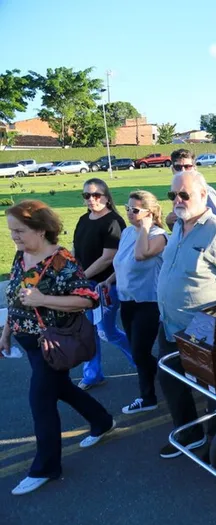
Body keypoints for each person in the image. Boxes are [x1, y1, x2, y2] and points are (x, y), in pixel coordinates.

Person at [3, 201, 115, 496]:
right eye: (11, 231)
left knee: (41, 402)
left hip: (53, 345)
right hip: (28, 341)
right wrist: (6, 332)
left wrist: (44, 300)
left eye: (19, 231)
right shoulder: (22, 255)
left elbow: (88, 299)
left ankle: (46, 467)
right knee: (62, 389)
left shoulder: (62, 261)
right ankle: (102, 421)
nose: (13, 236)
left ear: (41, 230)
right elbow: (16, 297)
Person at [156, 170, 216, 459]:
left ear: (203, 195)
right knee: (171, 380)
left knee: (213, 389)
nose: (177, 200)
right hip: (170, 325)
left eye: (184, 194)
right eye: (172, 195)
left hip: (203, 330)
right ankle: (190, 435)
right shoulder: (178, 226)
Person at [108, 191, 168, 414]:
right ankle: (168, 377)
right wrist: (109, 279)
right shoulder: (126, 233)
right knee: (137, 353)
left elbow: (141, 255)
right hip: (127, 301)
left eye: (135, 210)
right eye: (128, 208)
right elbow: (122, 262)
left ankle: (148, 397)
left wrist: (145, 227)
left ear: (150, 213)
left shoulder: (159, 236)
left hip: (149, 302)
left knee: (140, 352)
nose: (129, 213)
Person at [73, 178, 132, 390]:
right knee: (88, 331)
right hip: (84, 284)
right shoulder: (83, 219)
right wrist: (74, 273)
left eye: (96, 195)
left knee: (107, 331)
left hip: (106, 285)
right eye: (87, 195)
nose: (91, 199)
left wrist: (83, 276)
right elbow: (77, 250)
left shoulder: (113, 222)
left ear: (106, 197)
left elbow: (108, 258)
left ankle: (142, 363)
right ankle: (92, 374)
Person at [170, 148, 216, 220]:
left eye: (187, 167)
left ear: (195, 168)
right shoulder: (175, 191)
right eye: (178, 167)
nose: (183, 170)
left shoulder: (207, 192)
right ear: (173, 170)